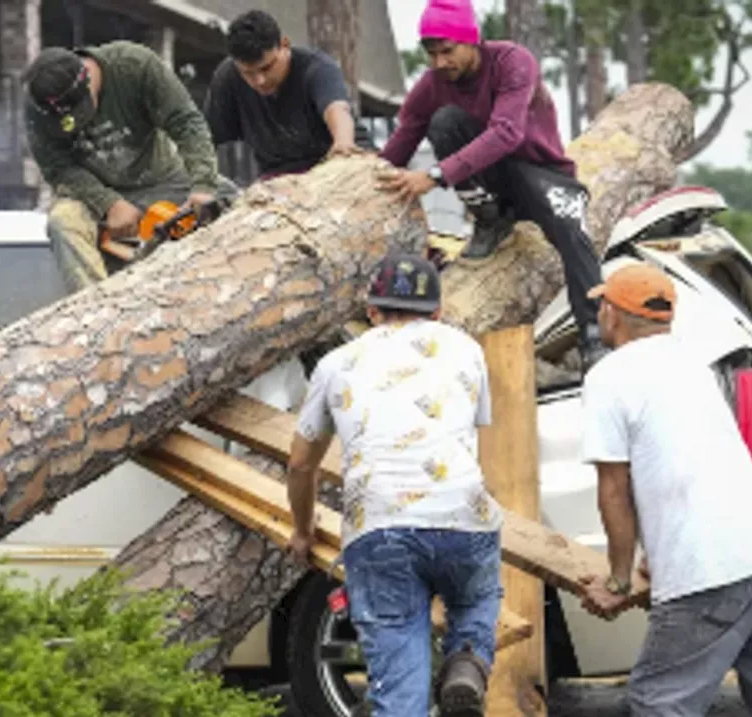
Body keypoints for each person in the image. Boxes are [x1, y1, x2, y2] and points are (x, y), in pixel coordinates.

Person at [577, 263, 752, 716]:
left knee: (658, 702)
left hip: (710, 573)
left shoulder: (608, 378)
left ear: (613, 314)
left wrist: (619, 580)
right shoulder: (691, 362)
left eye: (603, 304)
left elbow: (615, 489)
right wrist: (652, 560)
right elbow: (681, 466)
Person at [285, 253, 504, 717]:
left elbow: (301, 465)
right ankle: (468, 659)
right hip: (464, 515)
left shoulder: (336, 363)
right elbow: (471, 430)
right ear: (438, 313)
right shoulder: (466, 348)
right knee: (477, 597)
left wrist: (303, 531)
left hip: (380, 527)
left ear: (370, 312)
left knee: (398, 685)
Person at [373, 0, 606, 365]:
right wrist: (368, 177)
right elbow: (403, 140)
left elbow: (507, 134)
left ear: (472, 41)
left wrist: (435, 176)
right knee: (444, 122)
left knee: (572, 232)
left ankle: (593, 334)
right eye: (432, 55)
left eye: (447, 52)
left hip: (541, 171)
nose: (439, 63)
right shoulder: (433, 85)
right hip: (492, 182)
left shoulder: (512, 62)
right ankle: (491, 219)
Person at [23, 42, 235, 289]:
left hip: (163, 178)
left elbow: (186, 123)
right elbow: (58, 169)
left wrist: (202, 185)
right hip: (94, 193)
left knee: (230, 197)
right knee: (63, 221)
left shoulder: (134, 67)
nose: (78, 125)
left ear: (88, 79)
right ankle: (96, 310)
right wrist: (108, 203)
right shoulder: (39, 108)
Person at [204, 10, 371, 179]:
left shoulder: (317, 67)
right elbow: (205, 139)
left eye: (266, 68)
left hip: (341, 164)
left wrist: (343, 143)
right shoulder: (228, 77)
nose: (259, 81)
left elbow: (336, 109)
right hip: (279, 179)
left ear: (284, 45)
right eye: (248, 73)